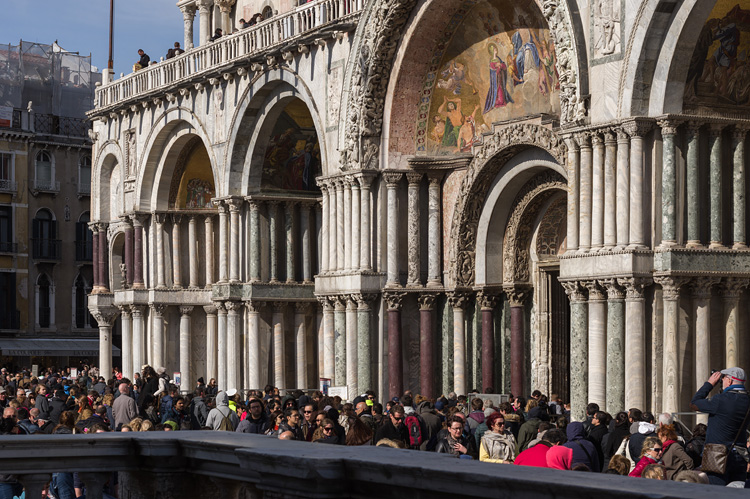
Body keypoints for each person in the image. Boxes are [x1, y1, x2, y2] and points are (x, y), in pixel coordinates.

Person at [691, 367, 750, 485]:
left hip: (717, 455)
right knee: (737, 492)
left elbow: (694, 403)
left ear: (729, 380)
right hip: (740, 454)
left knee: (717, 492)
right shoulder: (747, 400)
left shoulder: (720, 400)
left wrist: (709, 384)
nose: (722, 381)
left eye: (723, 378)